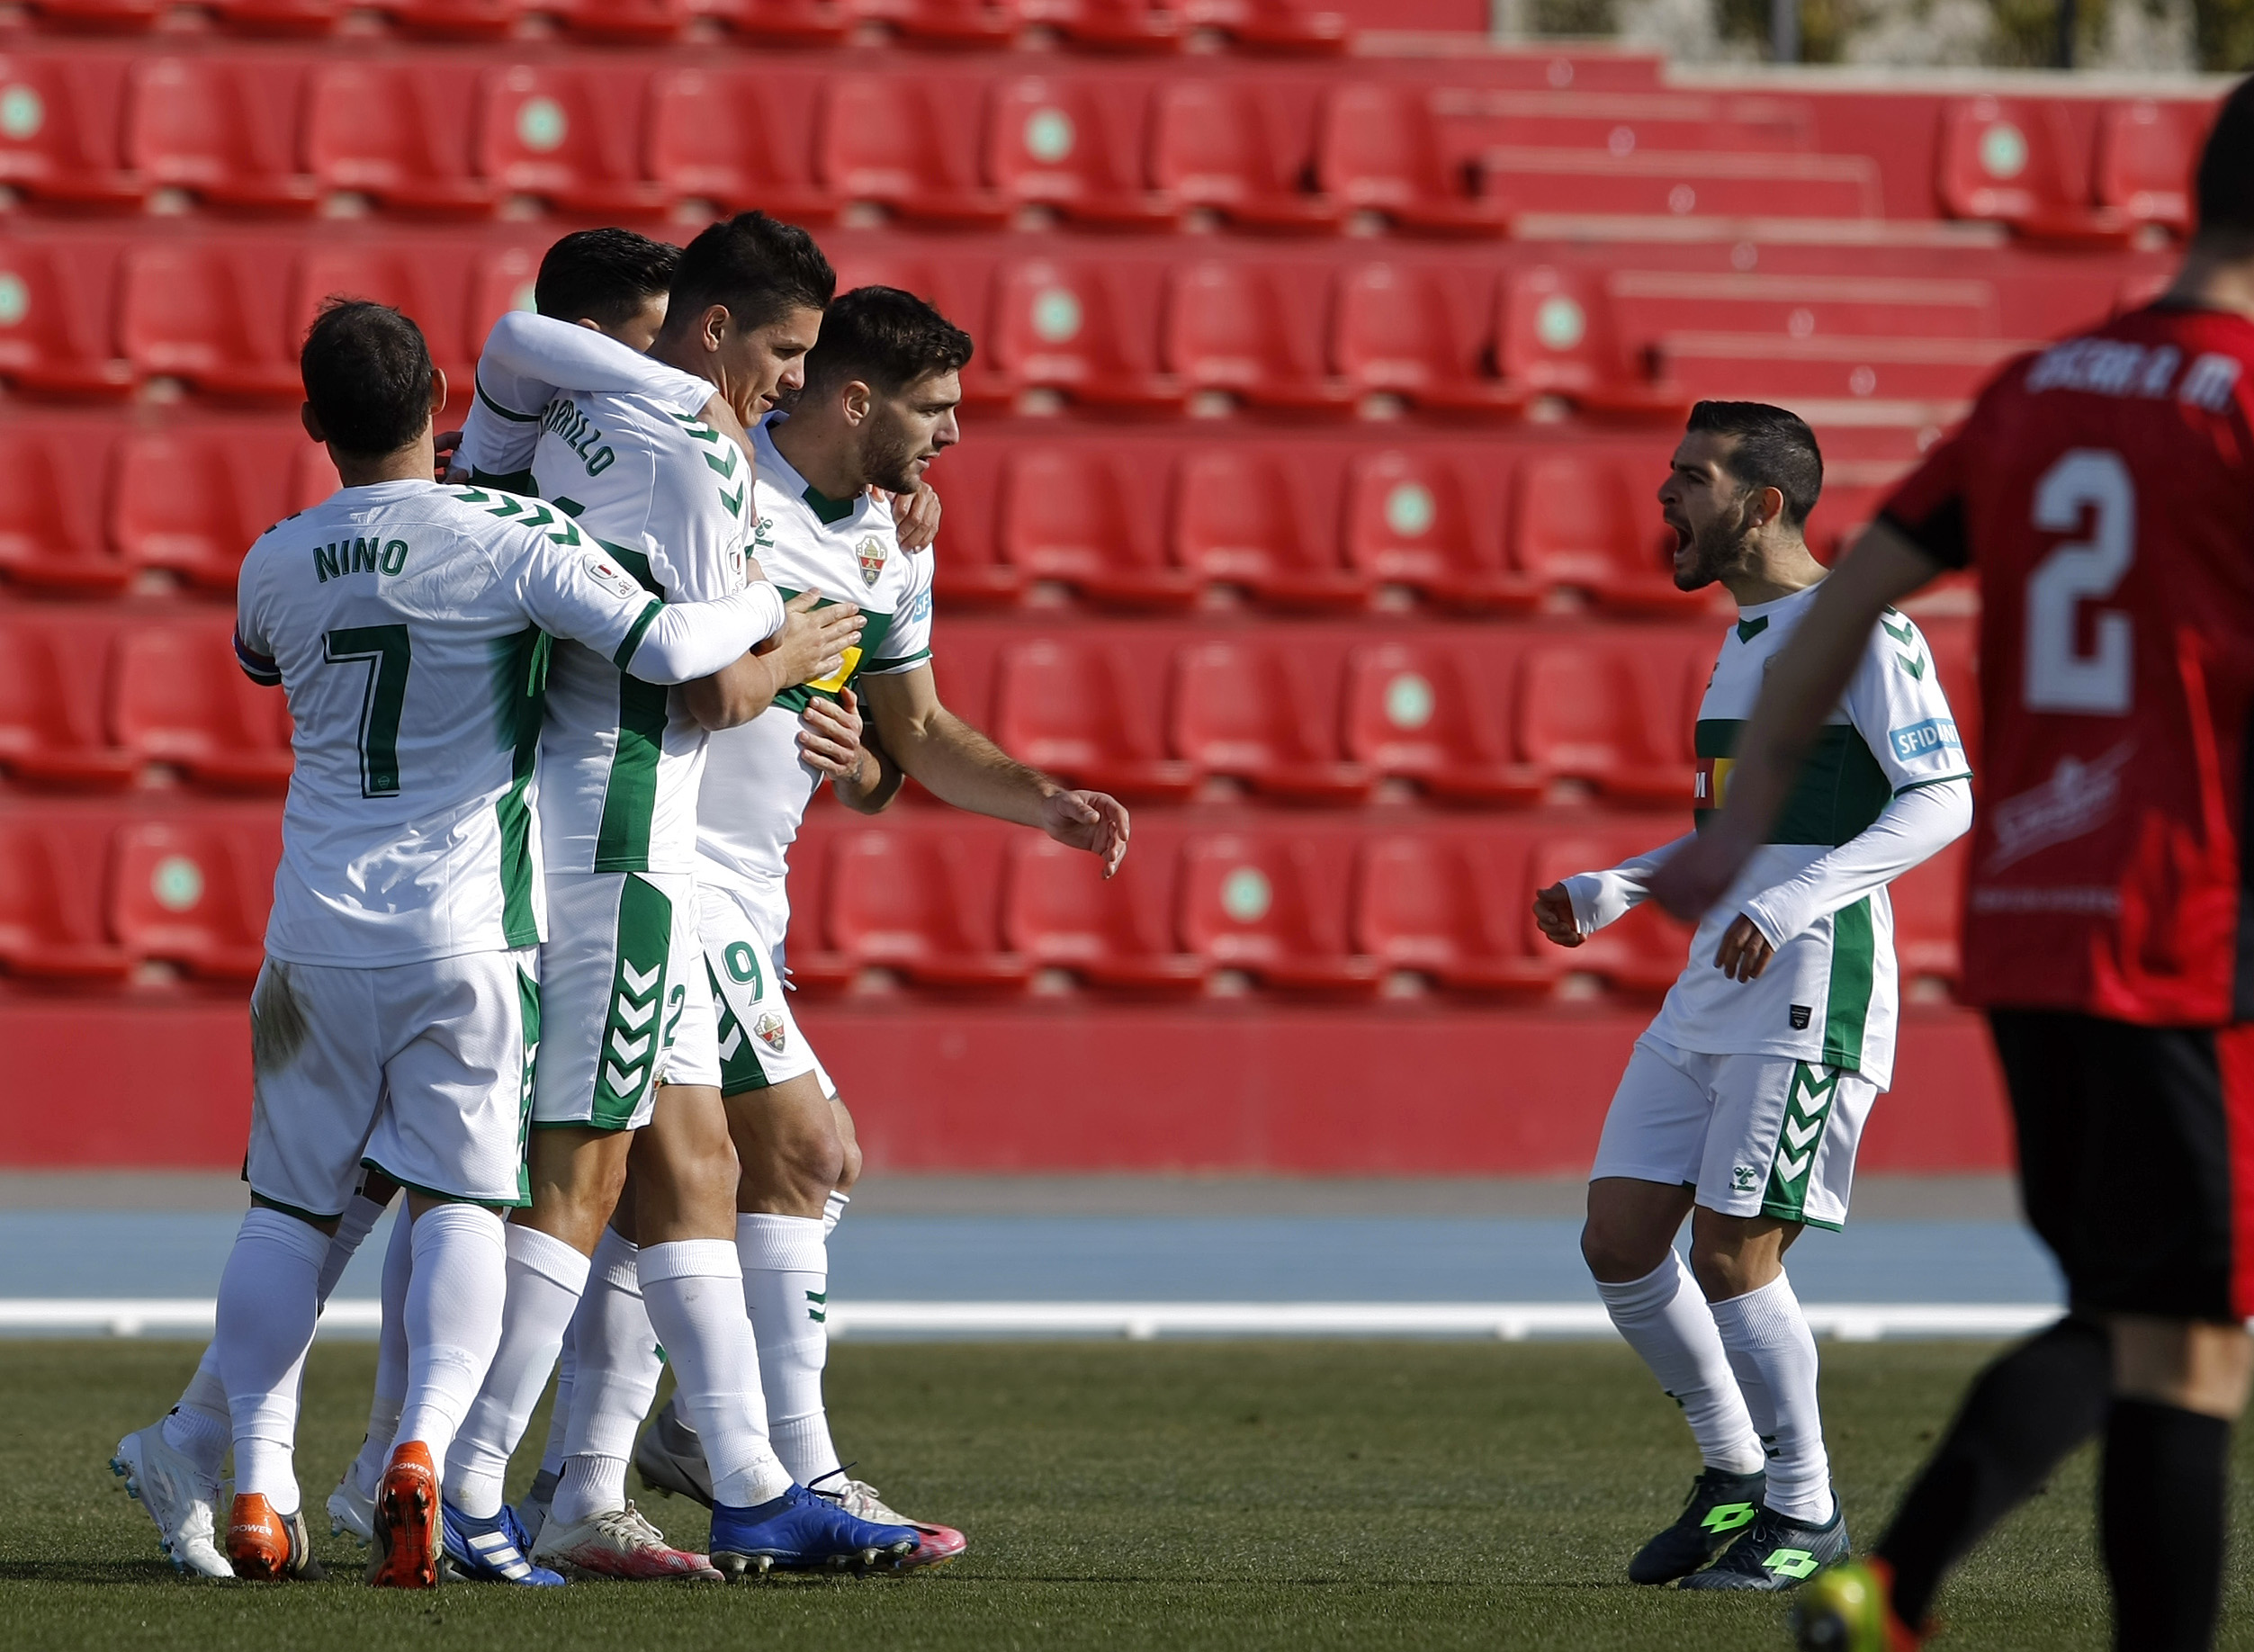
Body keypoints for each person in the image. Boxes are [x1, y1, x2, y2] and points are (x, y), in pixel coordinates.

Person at [1656, 77, 2254, 1652]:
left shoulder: (2037, 388)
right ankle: (1876, 1580)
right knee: (2186, 1337)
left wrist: (1741, 825)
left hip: (2037, 930)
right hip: (2193, 921)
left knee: (2147, 1318)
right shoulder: (2240, 398)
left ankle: (1881, 1584)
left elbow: (1839, 607)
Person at [134, 298, 795, 1586]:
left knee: (285, 1215)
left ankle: (260, 1490)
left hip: (315, 932)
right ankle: (424, 1453)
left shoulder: (271, 560)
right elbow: (668, 646)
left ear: (314, 422)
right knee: (459, 1206)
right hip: (469, 933)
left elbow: (266, 659)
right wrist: (764, 592)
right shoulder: (510, 536)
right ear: (441, 399)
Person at [429, 211, 917, 1585]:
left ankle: (710, 1477)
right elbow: (705, 688)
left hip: (545, 834)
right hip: (630, 847)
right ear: (713, 332)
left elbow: (515, 344)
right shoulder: (695, 451)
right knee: (580, 1187)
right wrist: (796, 639)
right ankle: (464, 1483)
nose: (788, 380)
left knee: (680, 1177)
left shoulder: (565, 421)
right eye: (782, 351)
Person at [1533, 401, 1971, 1592]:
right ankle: (1734, 1480)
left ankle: (1808, 1514)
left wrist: (1792, 906)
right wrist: (1619, 884)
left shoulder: (1856, 630)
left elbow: (1941, 797)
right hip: (1711, 986)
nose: (1663, 497)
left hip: (1806, 988)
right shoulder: (1744, 641)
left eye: (1689, 477)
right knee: (1620, 1240)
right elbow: (1743, 834)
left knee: (1733, 1252)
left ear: (1761, 502)